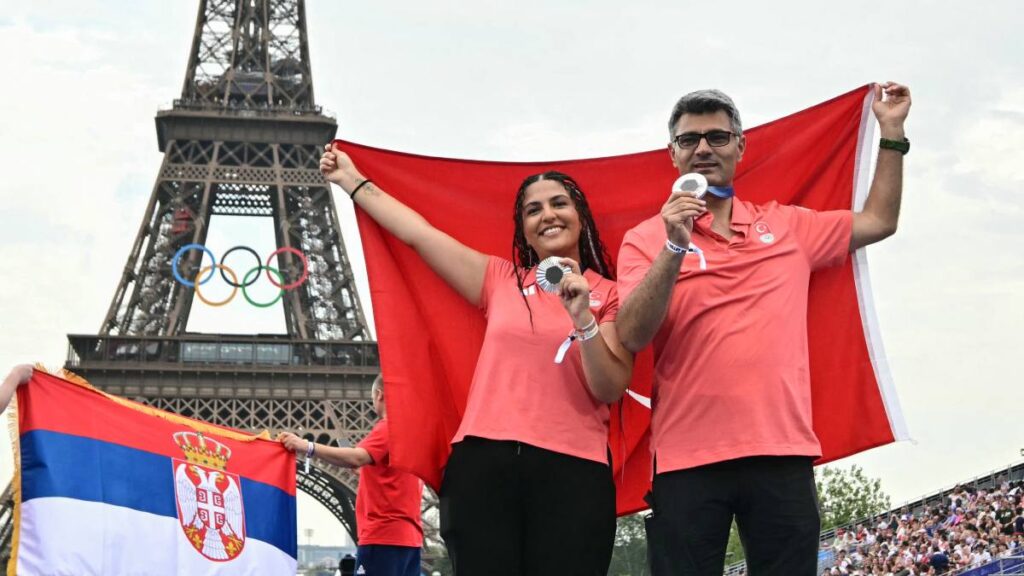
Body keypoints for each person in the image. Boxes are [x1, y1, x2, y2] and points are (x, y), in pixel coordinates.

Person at [615, 82, 911, 576]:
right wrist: (674, 247)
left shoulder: (789, 227)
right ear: (672, 154)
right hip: (687, 458)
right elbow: (631, 335)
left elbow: (880, 220)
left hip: (781, 449)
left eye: (717, 136)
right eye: (689, 140)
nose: (704, 148)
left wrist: (893, 134)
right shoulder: (645, 239)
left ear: (740, 146)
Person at [319, 144, 634, 575]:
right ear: (523, 229)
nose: (548, 215)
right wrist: (352, 182)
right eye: (533, 209)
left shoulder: (610, 295)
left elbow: (609, 387)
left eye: (560, 203)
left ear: (581, 216)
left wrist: (583, 318)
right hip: (485, 466)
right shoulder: (501, 280)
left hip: (574, 472)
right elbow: (419, 235)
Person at [279, 376, 424, 576]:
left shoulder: (387, 426)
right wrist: (365, 469)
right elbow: (394, 476)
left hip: (383, 536)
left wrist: (307, 446)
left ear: (379, 395)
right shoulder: (411, 433)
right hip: (409, 540)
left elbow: (356, 457)